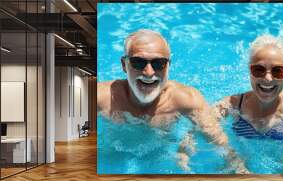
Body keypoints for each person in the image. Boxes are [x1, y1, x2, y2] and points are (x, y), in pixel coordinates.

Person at [97, 29, 247, 173]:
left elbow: (217, 139)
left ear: (168, 66)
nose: (149, 72)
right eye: (138, 62)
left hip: (161, 153)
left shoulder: (187, 100)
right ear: (124, 65)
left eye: (158, 64)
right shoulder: (100, 98)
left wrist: (238, 167)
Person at [215, 34, 283, 140]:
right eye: (259, 70)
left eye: (278, 71)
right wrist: (229, 152)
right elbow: (203, 123)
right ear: (250, 71)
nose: (268, 78)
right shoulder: (233, 104)